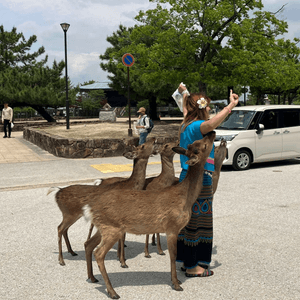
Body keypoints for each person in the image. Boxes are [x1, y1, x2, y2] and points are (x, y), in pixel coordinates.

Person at [175, 83, 239, 277]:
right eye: (208, 106)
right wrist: (231, 106)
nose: (211, 109)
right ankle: (194, 266)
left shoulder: (186, 123)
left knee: (188, 220)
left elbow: (187, 107)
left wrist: (184, 92)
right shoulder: (197, 126)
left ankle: (187, 261)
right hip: (199, 178)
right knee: (198, 219)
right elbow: (211, 124)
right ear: (201, 108)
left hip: (186, 175)